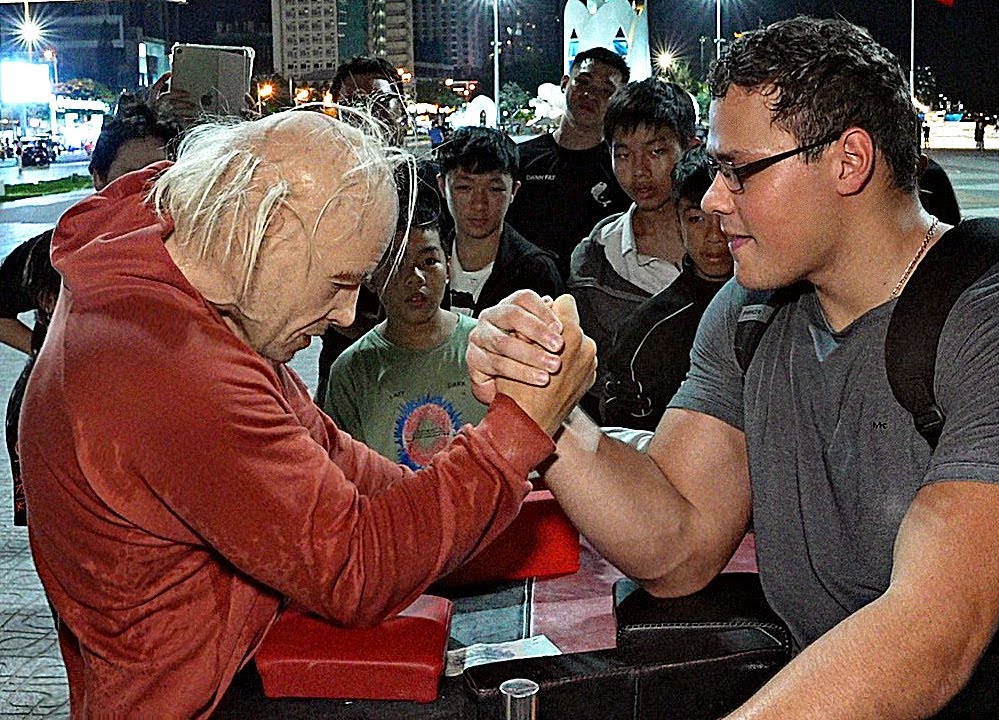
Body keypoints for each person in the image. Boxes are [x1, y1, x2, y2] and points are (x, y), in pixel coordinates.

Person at [469, 16, 999, 718]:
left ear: (849, 161)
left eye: (740, 171)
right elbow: (677, 542)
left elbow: (931, 634)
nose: (715, 199)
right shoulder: (752, 311)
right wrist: (546, 406)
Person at [18, 110, 595, 718]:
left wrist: (496, 490)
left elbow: (344, 467)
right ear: (269, 232)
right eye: (340, 281)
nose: (348, 314)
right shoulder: (168, 364)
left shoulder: (183, 276)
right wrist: (517, 431)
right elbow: (356, 567)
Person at [5, 99, 181, 526]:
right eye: (130, 175)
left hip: (152, 441)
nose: (145, 190)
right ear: (98, 177)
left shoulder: (188, 254)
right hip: (61, 434)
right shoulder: (52, 252)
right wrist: (43, 348)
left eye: (159, 175)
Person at [326, 175, 489, 467]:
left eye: (429, 262)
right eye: (395, 264)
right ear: (371, 278)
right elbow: (343, 475)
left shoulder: (488, 348)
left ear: (448, 267)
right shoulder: (352, 372)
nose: (415, 278)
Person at [568, 77, 698, 418]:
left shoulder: (730, 245)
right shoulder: (594, 262)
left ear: (690, 147)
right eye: (623, 154)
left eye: (656, 151)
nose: (639, 171)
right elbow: (595, 382)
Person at [598, 146, 733, 430]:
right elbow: (624, 438)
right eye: (696, 219)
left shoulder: (788, 304)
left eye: (724, 217)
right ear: (678, 221)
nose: (714, 236)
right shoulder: (647, 330)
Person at [314, 55, 412, 405]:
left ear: (402, 109)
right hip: (346, 359)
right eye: (354, 105)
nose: (370, 115)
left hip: (419, 361)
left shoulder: (432, 185)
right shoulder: (319, 190)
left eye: (382, 102)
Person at [506, 47, 631, 280]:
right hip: (526, 290)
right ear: (565, 84)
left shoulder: (622, 167)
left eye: (605, 91)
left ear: (619, 101)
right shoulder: (521, 158)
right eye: (583, 82)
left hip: (594, 297)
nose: (590, 95)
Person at [436, 126, 562, 318]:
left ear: (514, 191)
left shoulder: (536, 273)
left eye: (495, 189)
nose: (479, 204)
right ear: (442, 187)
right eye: (464, 187)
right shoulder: (422, 263)